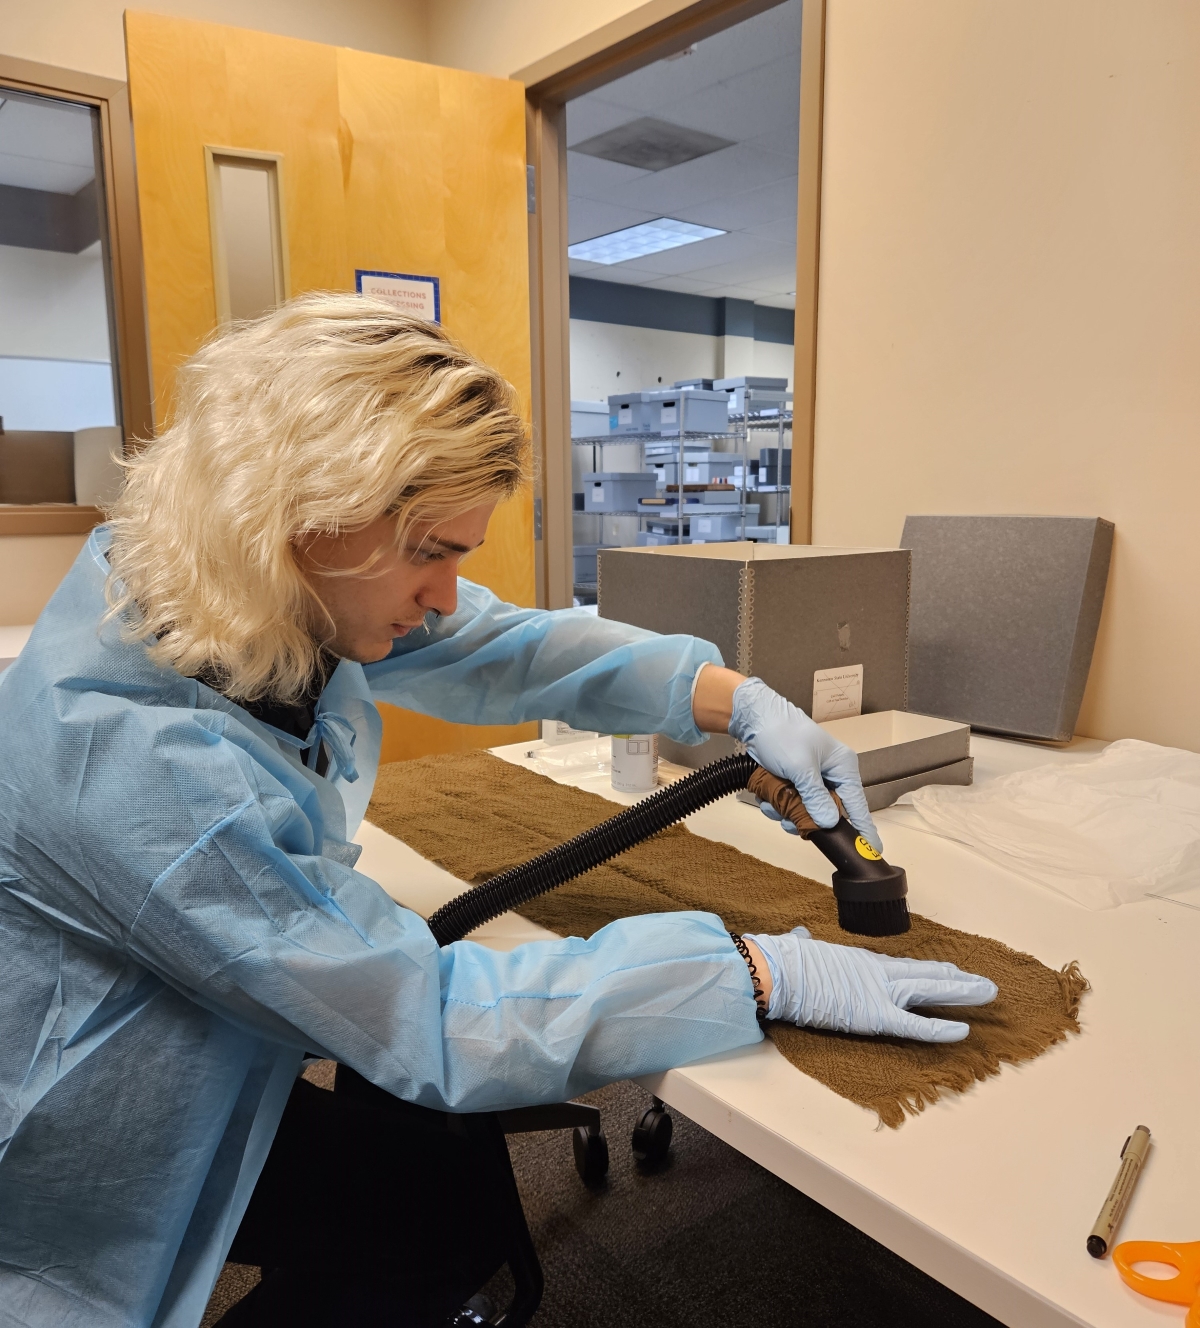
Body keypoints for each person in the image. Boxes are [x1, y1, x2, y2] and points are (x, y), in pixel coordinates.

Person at [0, 295, 996, 1328]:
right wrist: (754, 969)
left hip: (208, 1042)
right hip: (89, 1126)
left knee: (439, 1203)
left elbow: (505, 643)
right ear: (299, 513)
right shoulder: (132, 760)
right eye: (431, 550)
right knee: (421, 1214)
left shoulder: (213, 575)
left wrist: (735, 699)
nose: (443, 592)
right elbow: (427, 1018)